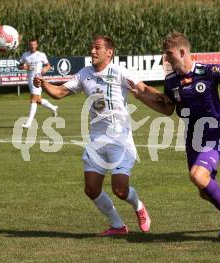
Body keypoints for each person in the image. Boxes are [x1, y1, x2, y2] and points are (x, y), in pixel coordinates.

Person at [131, 32, 220, 239]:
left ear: (182, 52)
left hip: (216, 132)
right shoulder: (170, 82)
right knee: (203, 190)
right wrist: (141, 98)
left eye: (169, 53)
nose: (166, 58)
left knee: (197, 175)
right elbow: (167, 110)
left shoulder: (209, 71)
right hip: (193, 138)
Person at [33, 35, 151, 236]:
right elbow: (60, 92)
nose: (93, 51)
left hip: (119, 140)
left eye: (97, 48)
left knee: (120, 190)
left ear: (109, 52)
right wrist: (45, 84)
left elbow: (143, 89)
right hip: (96, 140)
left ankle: (139, 206)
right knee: (91, 189)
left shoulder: (119, 72)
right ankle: (118, 226)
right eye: (92, 48)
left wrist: (163, 99)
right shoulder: (84, 74)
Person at [19, 38, 58, 128]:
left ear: (36, 45)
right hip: (30, 79)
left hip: (37, 79)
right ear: (28, 45)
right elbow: (20, 66)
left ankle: (29, 123)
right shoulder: (25, 55)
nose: (32, 46)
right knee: (38, 100)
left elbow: (48, 65)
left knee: (33, 100)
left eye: (34, 44)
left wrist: (45, 69)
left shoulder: (41, 55)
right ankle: (53, 108)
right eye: (31, 44)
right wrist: (23, 66)